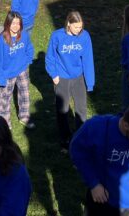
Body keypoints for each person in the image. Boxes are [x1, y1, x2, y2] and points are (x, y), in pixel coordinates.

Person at [45, 10, 95, 152]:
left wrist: (89, 82)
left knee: (81, 109)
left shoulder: (84, 36)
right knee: (62, 110)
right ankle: (65, 140)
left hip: (78, 77)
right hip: (61, 78)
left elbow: (88, 59)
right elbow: (50, 57)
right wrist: (54, 75)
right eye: (76, 27)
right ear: (68, 24)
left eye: (81, 27)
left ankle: (80, 138)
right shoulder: (57, 36)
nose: (79, 30)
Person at [0, 12, 35, 129]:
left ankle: (24, 117)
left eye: (18, 23)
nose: (16, 26)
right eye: (13, 23)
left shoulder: (24, 35)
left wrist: (28, 60)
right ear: (8, 24)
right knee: (5, 99)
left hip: (22, 70)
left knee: (24, 94)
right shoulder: (2, 39)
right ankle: (4, 122)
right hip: (7, 73)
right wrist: (0, 78)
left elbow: (29, 48)